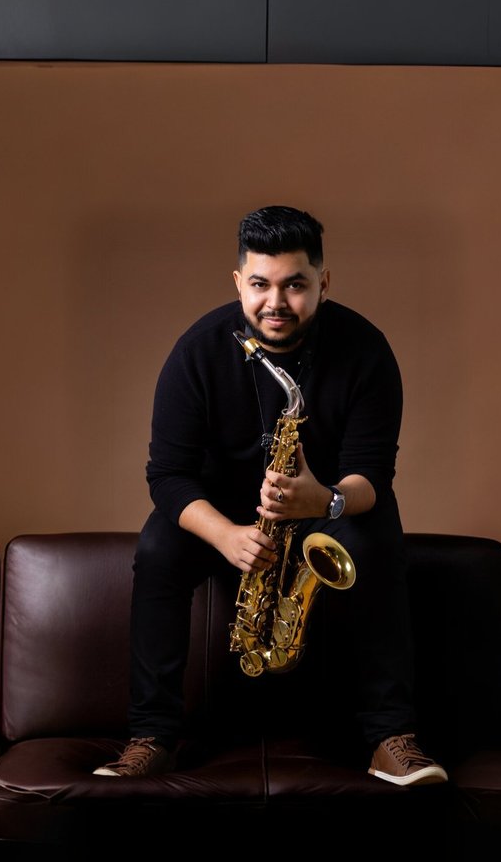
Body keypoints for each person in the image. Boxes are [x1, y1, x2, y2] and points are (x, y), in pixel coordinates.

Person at [93, 205, 446, 787]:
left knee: (375, 532)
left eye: (295, 285)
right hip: (228, 521)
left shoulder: (366, 351)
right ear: (238, 282)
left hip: (322, 508)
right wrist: (227, 536)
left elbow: (372, 476)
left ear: (323, 282)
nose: (275, 303)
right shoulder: (198, 351)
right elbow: (168, 475)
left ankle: (391, 737)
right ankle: (151, 736)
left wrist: (325, 501)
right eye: (259, 284)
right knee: (159, 544)